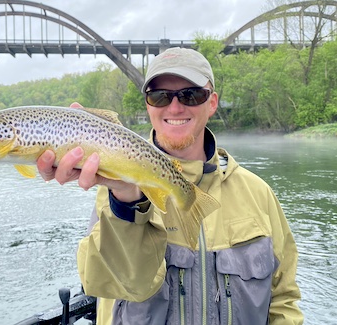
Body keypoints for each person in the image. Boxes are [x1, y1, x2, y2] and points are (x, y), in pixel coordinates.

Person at [36, 47, 303, 324]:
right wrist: (127, 202)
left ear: (212, 103)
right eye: (160, 96)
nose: (175, 107)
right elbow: (108, 284)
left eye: (191, 95)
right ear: (148, 105)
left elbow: (283, 299)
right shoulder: (116, 191)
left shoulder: (259, 194)